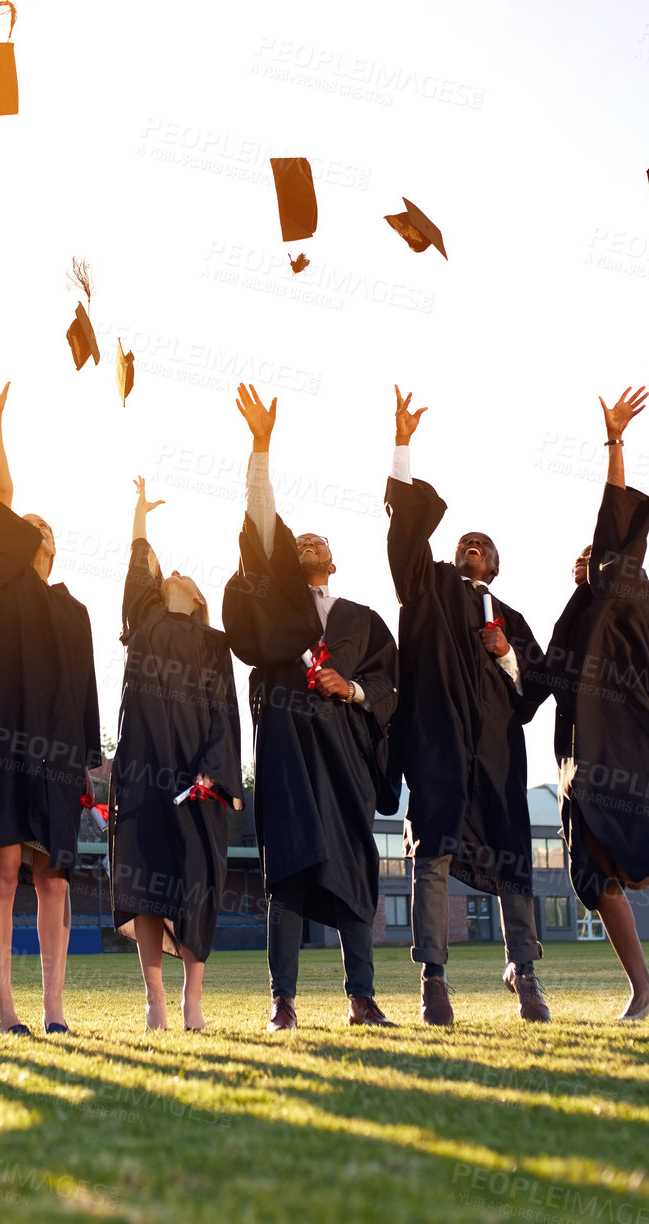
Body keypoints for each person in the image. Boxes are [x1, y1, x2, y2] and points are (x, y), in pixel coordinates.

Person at [222, 385, 401, 1032]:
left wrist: (348, 691)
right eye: (296, 544)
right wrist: (260, 448)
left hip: (346, 756)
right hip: (290, 753)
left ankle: (361, 997)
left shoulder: (362, 621)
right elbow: (262, 516)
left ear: (333, 561)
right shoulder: (278, 610)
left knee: (352, 866)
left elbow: (392, 689)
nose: (305, 547)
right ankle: (282, 1003)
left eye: (315, 544)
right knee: (289, 869)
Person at [537, 387, 649, 1020]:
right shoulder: (576, 618)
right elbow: (538, 680)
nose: (590, 558)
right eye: (582, 557)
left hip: (623, 740)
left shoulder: (628, 600)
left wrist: (615, 443)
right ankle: (644, 987)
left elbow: (613, 529)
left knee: (623, 859)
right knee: (593, 874)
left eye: (600, 555)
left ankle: (645, 948)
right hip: (578, 755)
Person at [385, 385, 550, 1024]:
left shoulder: (510, 618)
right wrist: (403, 446)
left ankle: (526, 972)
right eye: (465, 542)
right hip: (437, 750)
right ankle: (433, 979)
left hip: (498, 757)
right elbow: (402, 539)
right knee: (432, 856)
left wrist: (506, 652)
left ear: (498, 564)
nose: (472, 546)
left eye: (484, 544)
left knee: (512, 858)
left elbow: (534, 690)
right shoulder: (427, 589)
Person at [0, 374, 100, 1036]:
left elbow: (88, 694)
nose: (25, 527)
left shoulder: (74, 611)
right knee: (6, 869)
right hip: (6, 743)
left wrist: (87, 764)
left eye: (35, 527)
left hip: (58, 755)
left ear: (49, 543)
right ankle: (2, 1008)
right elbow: (1, 496)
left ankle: (52, 1010)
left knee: (52, 880)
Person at [110, 476, 244, 1031]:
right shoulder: (141, 624)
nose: (178, 573)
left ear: (199, 598)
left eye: (187, 576)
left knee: (195, 884)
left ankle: (193, 1002)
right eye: (172, 574)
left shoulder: (215, 645)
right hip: (144, 769)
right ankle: (155, 1001)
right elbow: (139, 569)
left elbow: (227, 715)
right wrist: (139, 518)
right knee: (145, 882)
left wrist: (215, 773)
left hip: (198, 780)